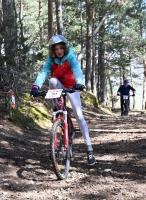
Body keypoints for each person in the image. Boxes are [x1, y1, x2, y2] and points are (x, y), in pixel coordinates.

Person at [30, 34, 96, 165]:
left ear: (65, 48)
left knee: (79, 115)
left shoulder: (70, 56)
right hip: (59, 87)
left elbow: (77, 70)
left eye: (61, 48)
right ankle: (58, 106)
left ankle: (89, 149)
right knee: (53, 80)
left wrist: (80, 83)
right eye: (56, 49)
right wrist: (36, 85)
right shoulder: (51, 59)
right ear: (53, 50)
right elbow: (44, 72)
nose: (59, 51)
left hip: (73, 87)